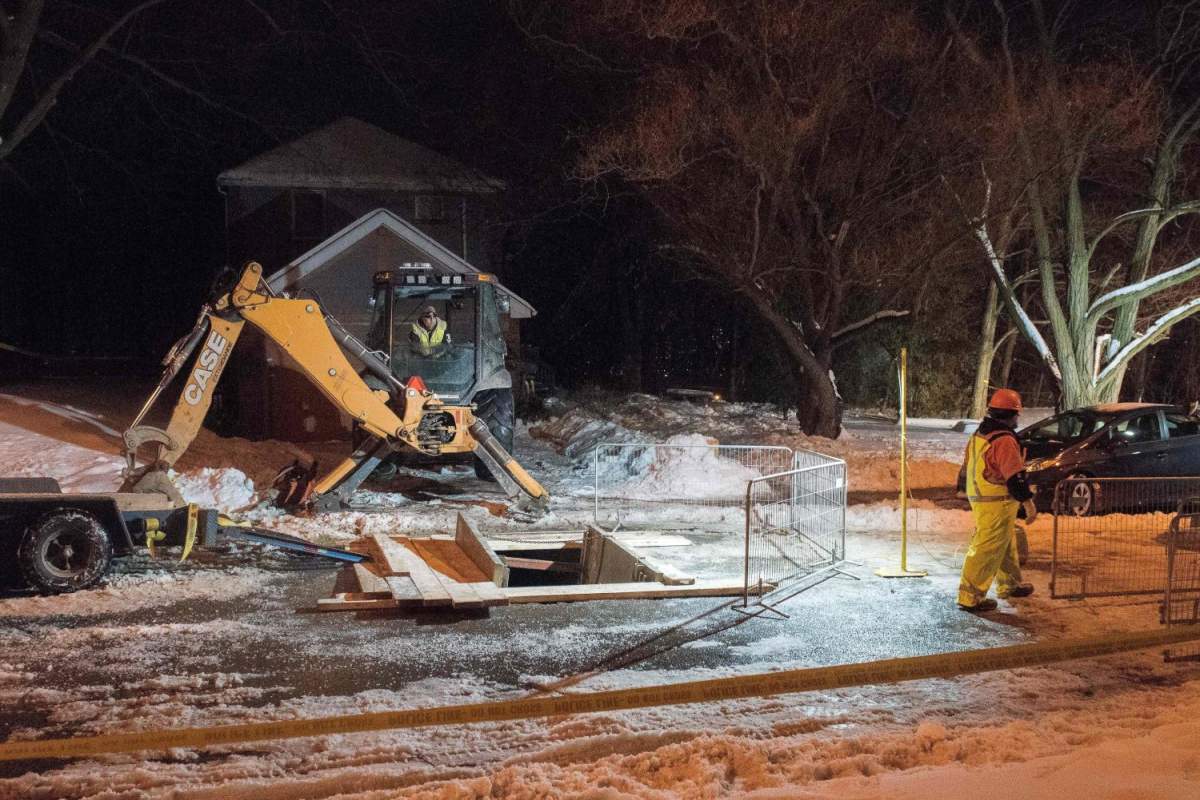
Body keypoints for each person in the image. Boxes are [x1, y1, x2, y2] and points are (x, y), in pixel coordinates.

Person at [958, 387, 1037, 612]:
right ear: (1011, 415)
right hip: (996, 500)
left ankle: (1010, 584)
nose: (1018, 419)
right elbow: (1014, 475)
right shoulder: (1004, 440)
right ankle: (970, 596)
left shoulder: (982, 433)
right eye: (1017, 414)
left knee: (1004, 541)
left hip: (983, 496)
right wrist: (1028, 502)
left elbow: (967, 466)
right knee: (987, 546)